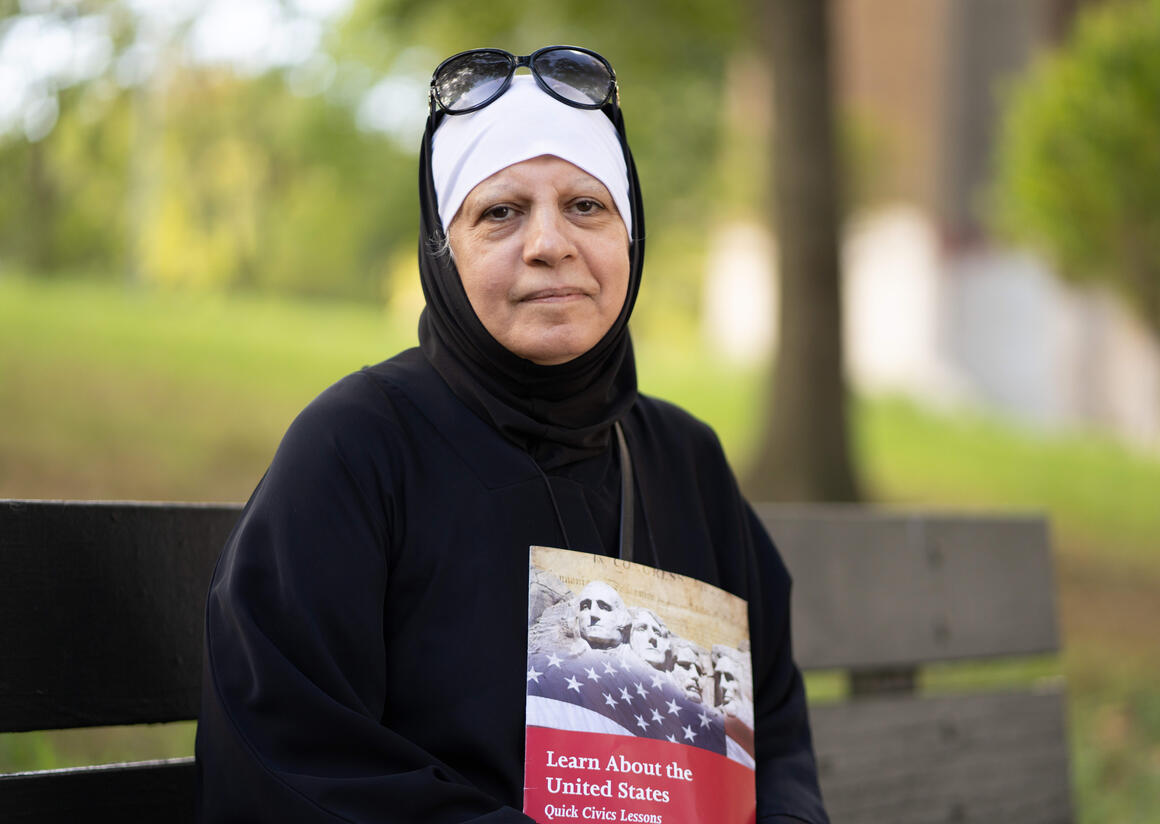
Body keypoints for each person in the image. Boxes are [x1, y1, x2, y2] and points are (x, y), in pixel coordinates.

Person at [196, 45, 828, 823]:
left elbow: (776, 733)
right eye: (500, 212)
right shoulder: (355, 450)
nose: (549, 243)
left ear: (630, 238)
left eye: (586, 207)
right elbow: (290, 753)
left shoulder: (685, 462)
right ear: (442, 247)